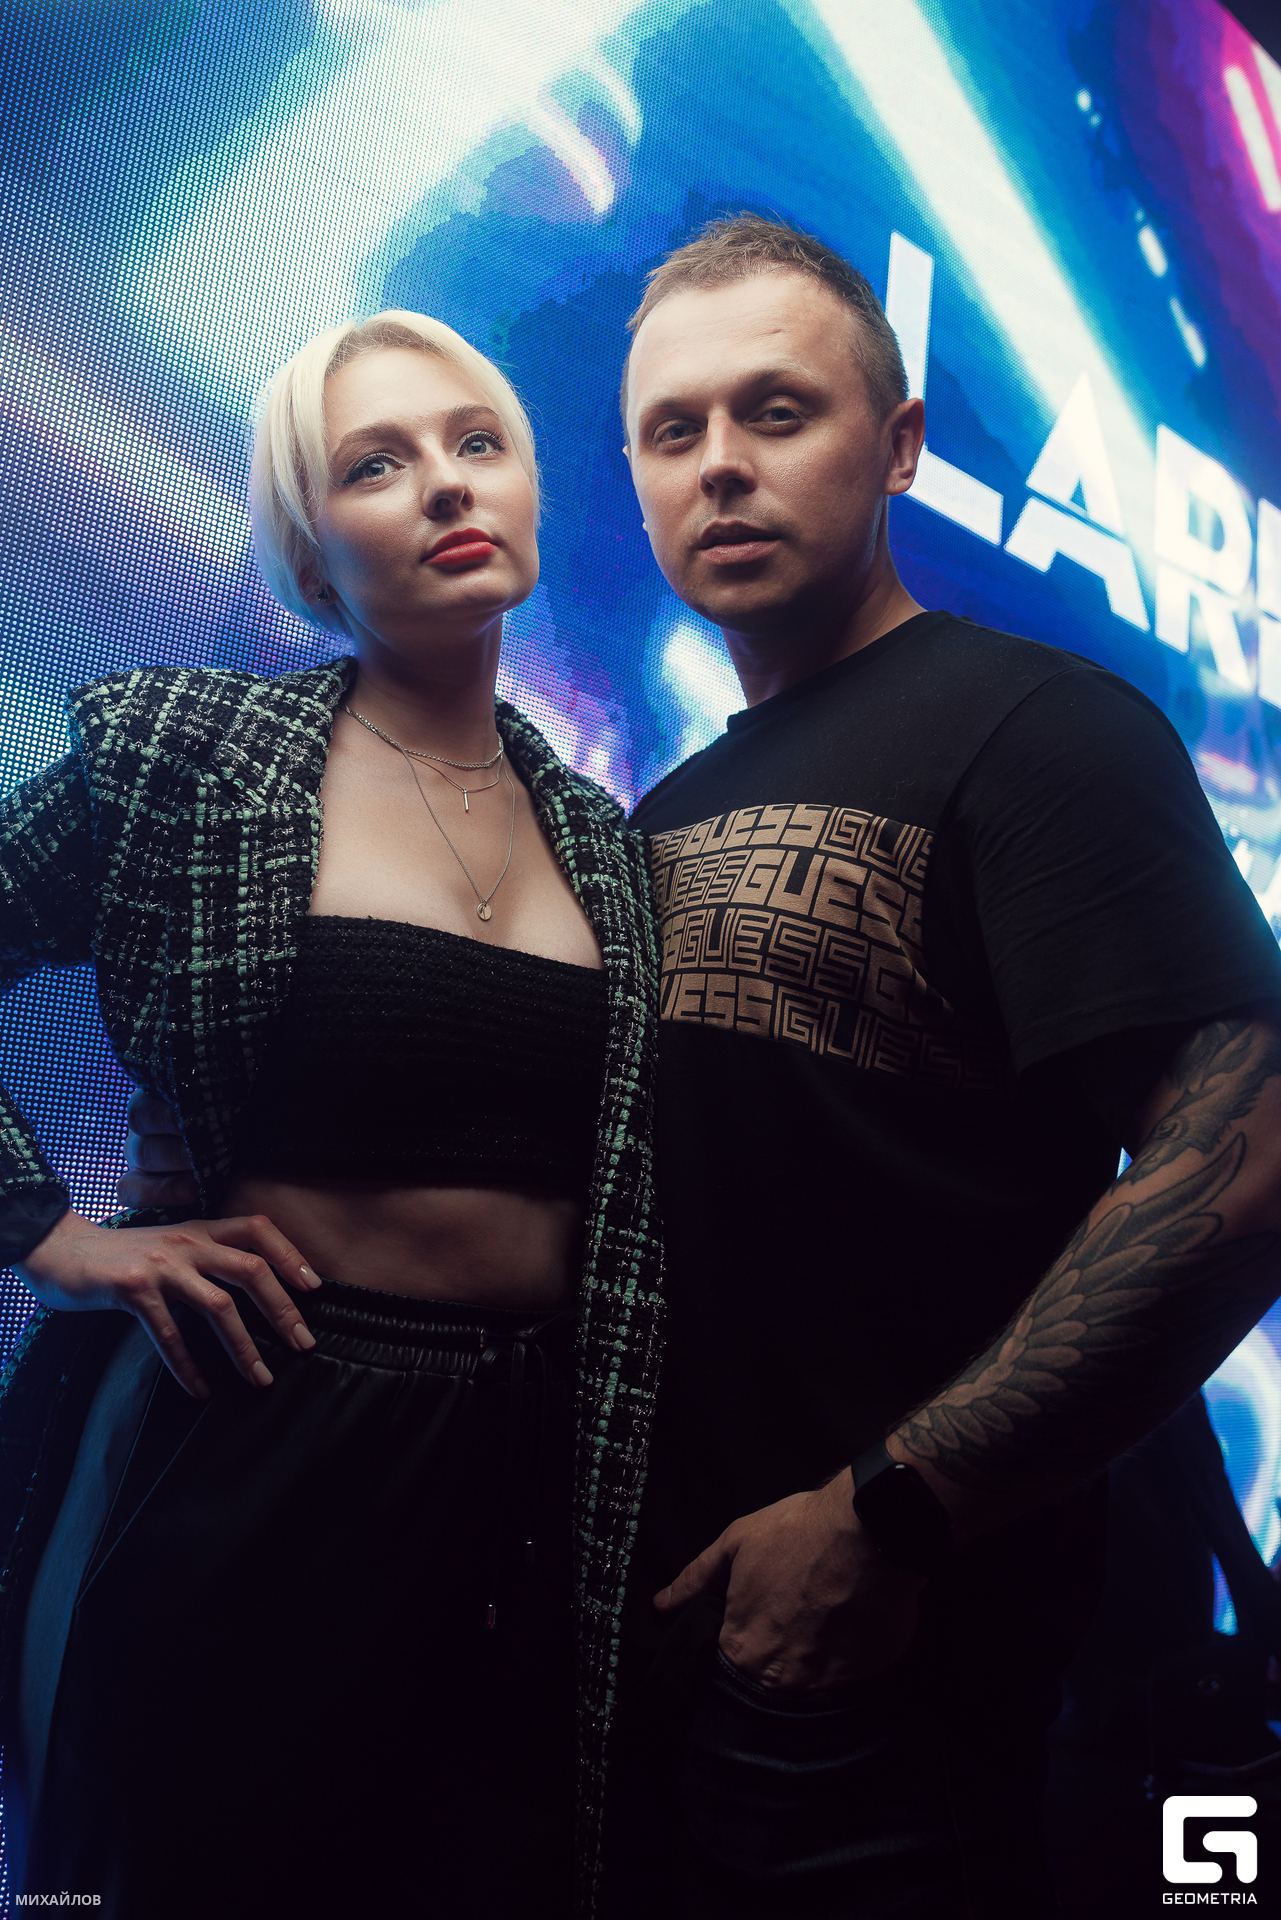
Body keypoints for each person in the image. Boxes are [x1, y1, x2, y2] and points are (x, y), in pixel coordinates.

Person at [124, 216, 1281, 1916]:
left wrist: (889, 1518)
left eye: (777, 412)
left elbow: (1242, 1168)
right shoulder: (640, 821)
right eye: (675, 431)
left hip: (892, 1664)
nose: (721, 465)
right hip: (629, 1646)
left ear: (896, 446)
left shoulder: (1040, 730)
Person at [0, 310, 663, 1919]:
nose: (444, 483)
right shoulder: (185, 752)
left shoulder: (605, 842)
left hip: (518, 1473)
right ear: (311, 544)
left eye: (476, 442)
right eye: (376, 463)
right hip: (245, 1425)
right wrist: (53, 1236)